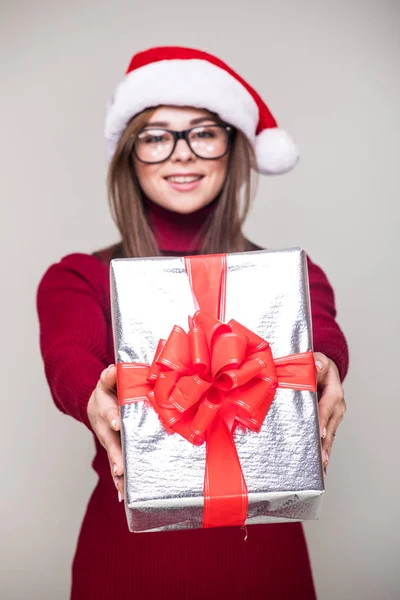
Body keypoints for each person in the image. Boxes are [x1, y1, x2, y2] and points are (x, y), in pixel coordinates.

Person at [37, 46, 348, 599]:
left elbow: (321, 336)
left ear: (234, 149)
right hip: (125, 563)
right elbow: (68, 356)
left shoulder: (295, 277)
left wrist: (323, 367)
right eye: (156, 136)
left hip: (266, 566)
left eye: (203, 132)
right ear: (129, 156)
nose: (181, 154)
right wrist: (93, 394)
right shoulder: (79, 278)